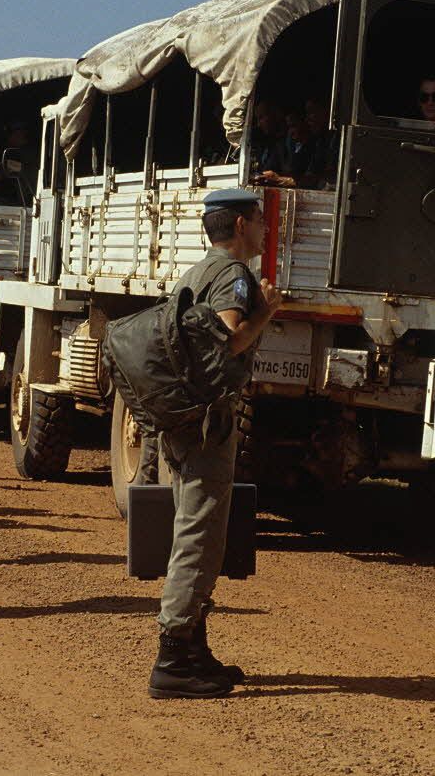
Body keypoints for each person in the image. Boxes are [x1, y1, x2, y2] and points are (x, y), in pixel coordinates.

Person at [147, 188, 281, 700]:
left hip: (183, 422)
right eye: (260, 221)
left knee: (195, 528)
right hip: (207, 425)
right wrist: (265, 311)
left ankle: (194, 649)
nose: (265, 229)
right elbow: (228, 338)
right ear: (242, 224)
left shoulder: (193, 273)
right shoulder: (231, 276)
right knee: (200, 537)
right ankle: (174, 657)